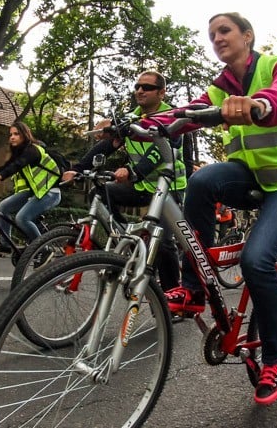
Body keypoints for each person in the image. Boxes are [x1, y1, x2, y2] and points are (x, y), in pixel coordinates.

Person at [164, 12, 277, 405]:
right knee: (202, 181)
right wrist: (137, 126)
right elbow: (184, 114)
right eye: (211, 34)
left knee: (256, 260)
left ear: (247, 36)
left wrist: (257, 105)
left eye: (225, 31)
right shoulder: (222, 86)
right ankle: (193, 289)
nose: (217, 38)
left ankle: (276, 358)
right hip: (254, 178)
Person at [62, 71, 185, 289]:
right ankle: (126, 237)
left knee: (164, 242)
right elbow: (108, 145)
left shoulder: (173, 117)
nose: (139, 90)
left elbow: (161, 151)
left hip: (168, 187)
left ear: (161, 92)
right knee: (100, 192)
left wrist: (132, 171)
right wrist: (79, 168)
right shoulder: (130, 118)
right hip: (141, 185)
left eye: (146, 87)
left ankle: (171, 293)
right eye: (137, 86)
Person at [0, 122, 61, 255]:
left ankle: (44, 250)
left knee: (22, 218)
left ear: (25, 135)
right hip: (36, 191)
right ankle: (5, 244)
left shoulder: (33, 150)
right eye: (10, 135)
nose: (12, 137)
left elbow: (16, 166)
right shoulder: (20, 152)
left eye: (16, 134)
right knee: (3, 206)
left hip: (50, 193)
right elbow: (5, 167)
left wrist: (0, 177)